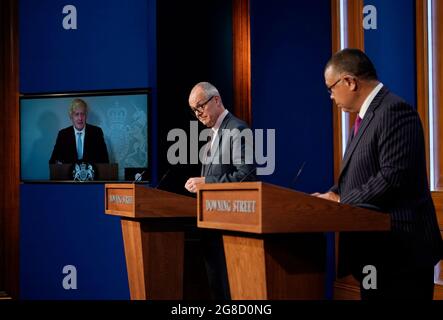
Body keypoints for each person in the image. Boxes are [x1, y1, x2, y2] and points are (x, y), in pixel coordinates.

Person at [313, 48, 442, 299]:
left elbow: (391, 177)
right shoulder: (364, 118)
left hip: (401, 252)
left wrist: (340, 202)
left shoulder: (395, 111)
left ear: (350, 81)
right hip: (375, 252)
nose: (330, 96)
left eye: (331, 88)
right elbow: (358, 176)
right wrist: (331, 193)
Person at [184, 81, 257, 300]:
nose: (198, 114)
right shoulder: (213, 134)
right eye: (194, 110)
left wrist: (207, 182)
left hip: (228, 230)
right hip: (212, 226)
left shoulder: (237, 128)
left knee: (228, 293)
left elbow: (246, 176)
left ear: (216, 100)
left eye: (200, 106)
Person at [49, 98, 109, 164]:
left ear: (86, 115)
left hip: (92, 174)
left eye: (82, 114)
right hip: (68, 174)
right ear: (71, 116)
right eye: (77, 114)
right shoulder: (63, 135)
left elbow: (105, 161)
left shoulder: (97, 132)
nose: (80, 118)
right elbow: (53, 161)